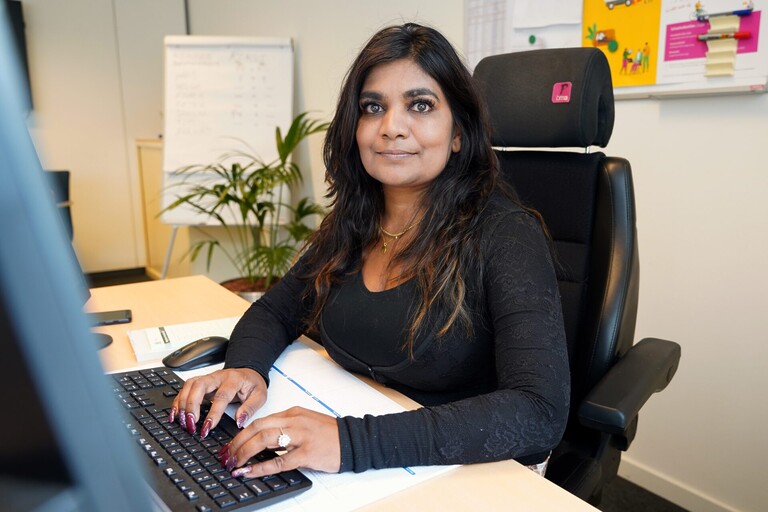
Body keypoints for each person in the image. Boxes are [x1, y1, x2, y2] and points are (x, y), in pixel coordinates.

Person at [171, 22, 569, 479]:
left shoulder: (507, 234)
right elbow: (277, 311)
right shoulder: (353, 224)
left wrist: (349, 442)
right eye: (372, 107)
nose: (391, 128)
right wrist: (245, 368)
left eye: (420, 105)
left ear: (458, 133)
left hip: (460, 469)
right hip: (359, 451)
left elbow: (539, 412)